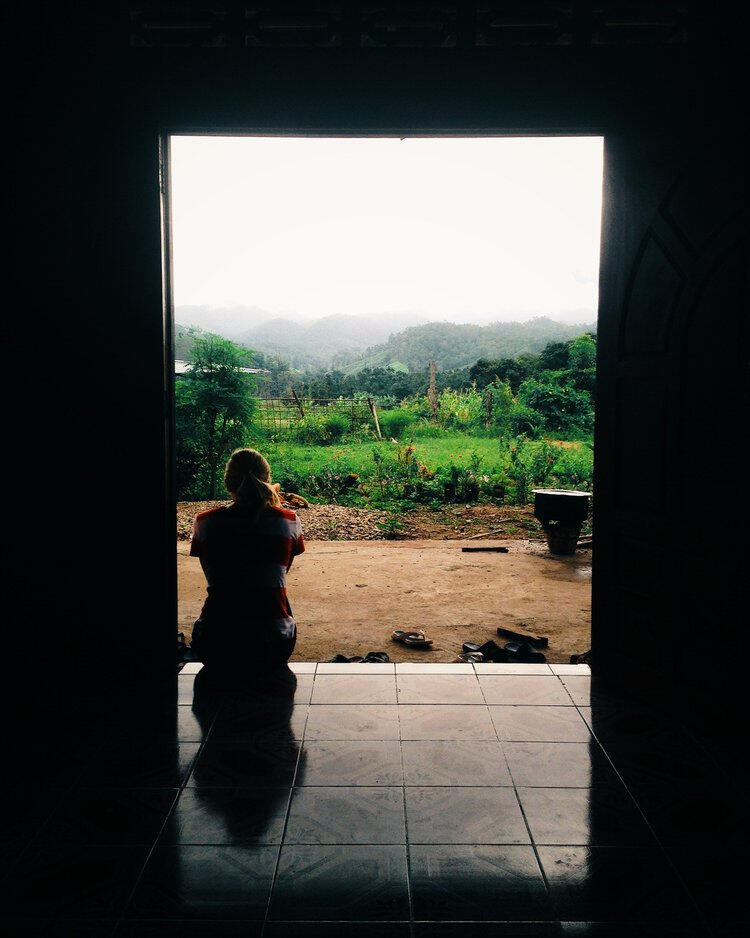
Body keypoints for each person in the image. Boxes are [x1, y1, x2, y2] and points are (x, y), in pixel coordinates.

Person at [189, 447, 305, 671]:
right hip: (272, 646)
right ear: (267, 480)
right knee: (273, 588)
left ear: (227, 483)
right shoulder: (289, 521)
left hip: (215, 645)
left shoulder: (204, 522)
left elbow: (213, 576)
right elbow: (281, 572)